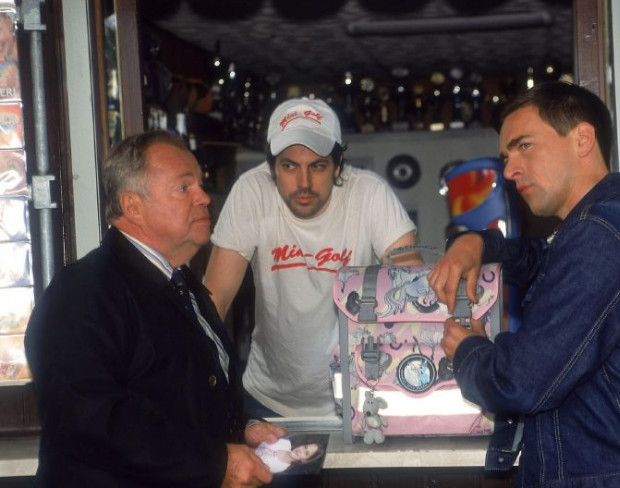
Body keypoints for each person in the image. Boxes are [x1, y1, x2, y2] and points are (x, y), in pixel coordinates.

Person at [428, 81, 620, 487]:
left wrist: (467, 349)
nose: (509, 170)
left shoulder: (602, 236)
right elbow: (540, 261)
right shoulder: (619, 227)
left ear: (582, 139)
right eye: (506, 156)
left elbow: (520, 382)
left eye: (524, 146)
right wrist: (478, 243)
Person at [24, 130, 287, 487]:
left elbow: (182, 393)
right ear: (133, 206)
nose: (203, 198)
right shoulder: (81, 292)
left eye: (200, 185)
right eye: (184, 187)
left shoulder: (180, 281)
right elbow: (92, 420)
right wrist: (214, 463)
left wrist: (241, 428)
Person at [204, 97, 419, 418]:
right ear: (271, 168)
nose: (303, 183)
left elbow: (411, 286)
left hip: (361, 397)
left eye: (317, 166)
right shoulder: (252, 191)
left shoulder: (370, 193)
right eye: (289, 166)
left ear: (338, 165)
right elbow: (215, 299)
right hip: (268, 399)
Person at [255, 437, 324, 474]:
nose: (301, 450)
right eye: (305, 447)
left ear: (304, 460)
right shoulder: (284, 442)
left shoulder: (280, 468)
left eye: (306, 453)